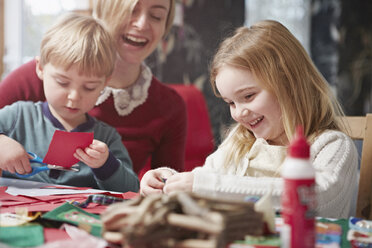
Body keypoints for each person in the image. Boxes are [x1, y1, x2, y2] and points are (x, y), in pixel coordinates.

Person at [140, 20, 358, 219]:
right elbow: (205, 178)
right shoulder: (240, 141)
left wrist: (205, 185)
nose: (239, 113)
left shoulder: (332, 145)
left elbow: (318, 197)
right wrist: (168, 182)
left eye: (248, 96)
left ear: (289, 84)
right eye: (231, 103)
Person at [0, 0, 187, 177]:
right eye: (130, 10)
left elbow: (169, 193)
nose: (142, 24)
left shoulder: (170, 106)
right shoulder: (39, 76)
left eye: (156, 16)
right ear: (103, 10)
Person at [0, 13, 139, 193]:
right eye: (63, 83)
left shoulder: (106, 138)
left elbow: (132, 190)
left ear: (105, 83)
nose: (74, 97)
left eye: (89, 87)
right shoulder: (18, 117)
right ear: (40, 68)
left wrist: (106, 165)